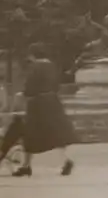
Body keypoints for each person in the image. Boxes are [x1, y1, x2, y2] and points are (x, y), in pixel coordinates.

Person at [13, 42, 76, 177]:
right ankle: (66, 160)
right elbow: (56, 84)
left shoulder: (36, 67)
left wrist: (22, 94)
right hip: (53, 102)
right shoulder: (52, 65)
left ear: (32, 54)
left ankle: (26, 165)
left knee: (29, 134)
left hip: (38, 104)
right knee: (57, 133)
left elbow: (30, 87)